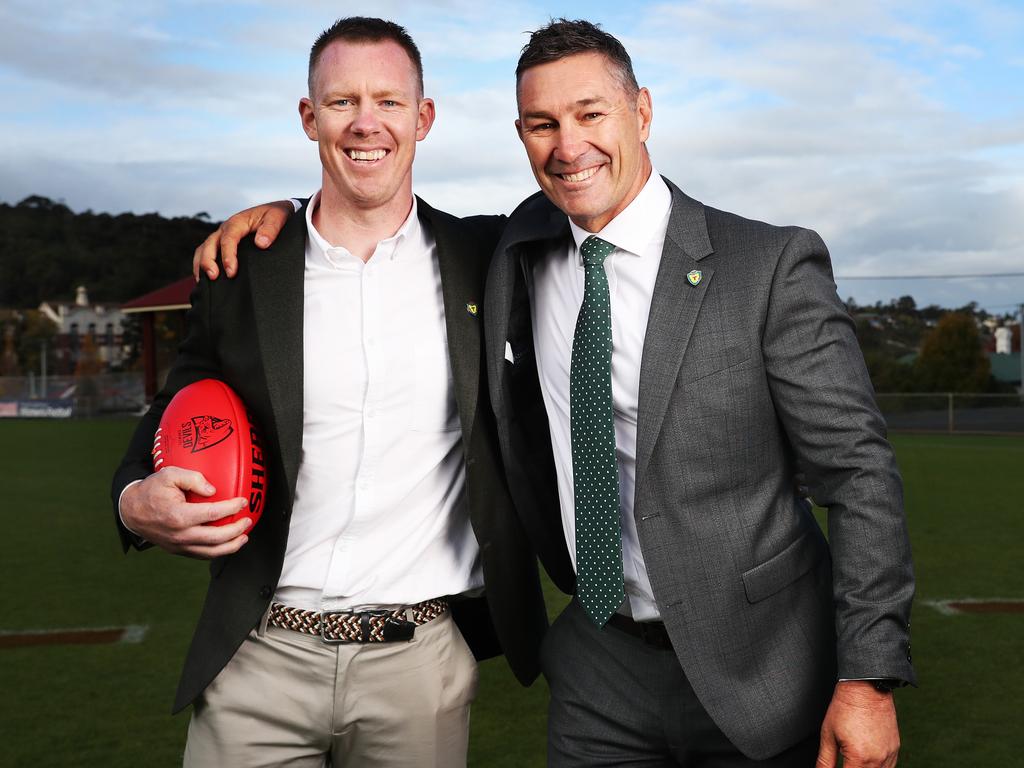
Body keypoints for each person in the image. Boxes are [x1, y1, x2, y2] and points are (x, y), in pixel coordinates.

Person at [197, 19, 915, 768]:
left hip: (761, 666)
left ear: (641, 111)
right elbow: (366, 213)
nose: (568, 146)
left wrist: (867, 680)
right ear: (521, 133)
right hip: (598, 665)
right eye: (543, 124)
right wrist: (281, 216)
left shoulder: (766, 265)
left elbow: (859, 474)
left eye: (590, 114)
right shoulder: (517, 252)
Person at [112, 16, 546, 767]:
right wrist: (133, 502)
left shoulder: (486, 255)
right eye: (342, 102)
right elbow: (169, 414)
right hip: (259, 659)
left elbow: (587, 202)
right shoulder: (244, 271)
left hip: (420, 668)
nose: (366, 122)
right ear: (309, 118)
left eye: (388, 100)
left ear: (424, 117)